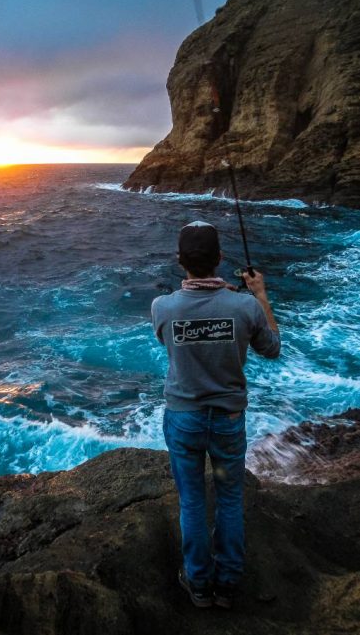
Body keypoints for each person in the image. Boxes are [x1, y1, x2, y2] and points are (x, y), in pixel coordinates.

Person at [151, 220, 280, 609]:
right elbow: (271, 348)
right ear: (220, 259)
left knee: (191, 500)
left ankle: (199, 584)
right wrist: (260, 294)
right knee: (229, 498)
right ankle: (226, 585)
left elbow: (167, 341)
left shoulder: (163, 306)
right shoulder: (244, 306)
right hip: (227, 420)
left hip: (184, 418)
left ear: (180, 261)